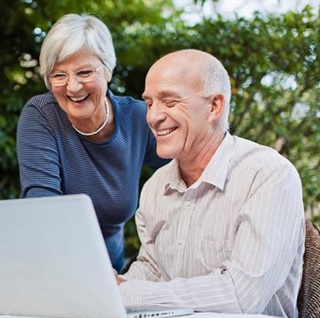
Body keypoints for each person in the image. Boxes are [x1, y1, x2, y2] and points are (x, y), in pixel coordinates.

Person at [115, 49, 305, 318]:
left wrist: (128, 292)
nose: (153, 117)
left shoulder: (268, 175)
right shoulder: (156, 186)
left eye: (169, 101)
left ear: (214, 107)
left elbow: (242, 296)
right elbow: (153, 269)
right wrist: (114, 286)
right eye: (149, 103)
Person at [16, 13, 169, 273]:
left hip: (112, 274)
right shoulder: (42, 115)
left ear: (108, 70)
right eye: (59, 75)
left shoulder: (137, 119)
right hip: (49, 268)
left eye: (85, 72)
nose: (73, 87)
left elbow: (188, 174)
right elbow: (41, 206)